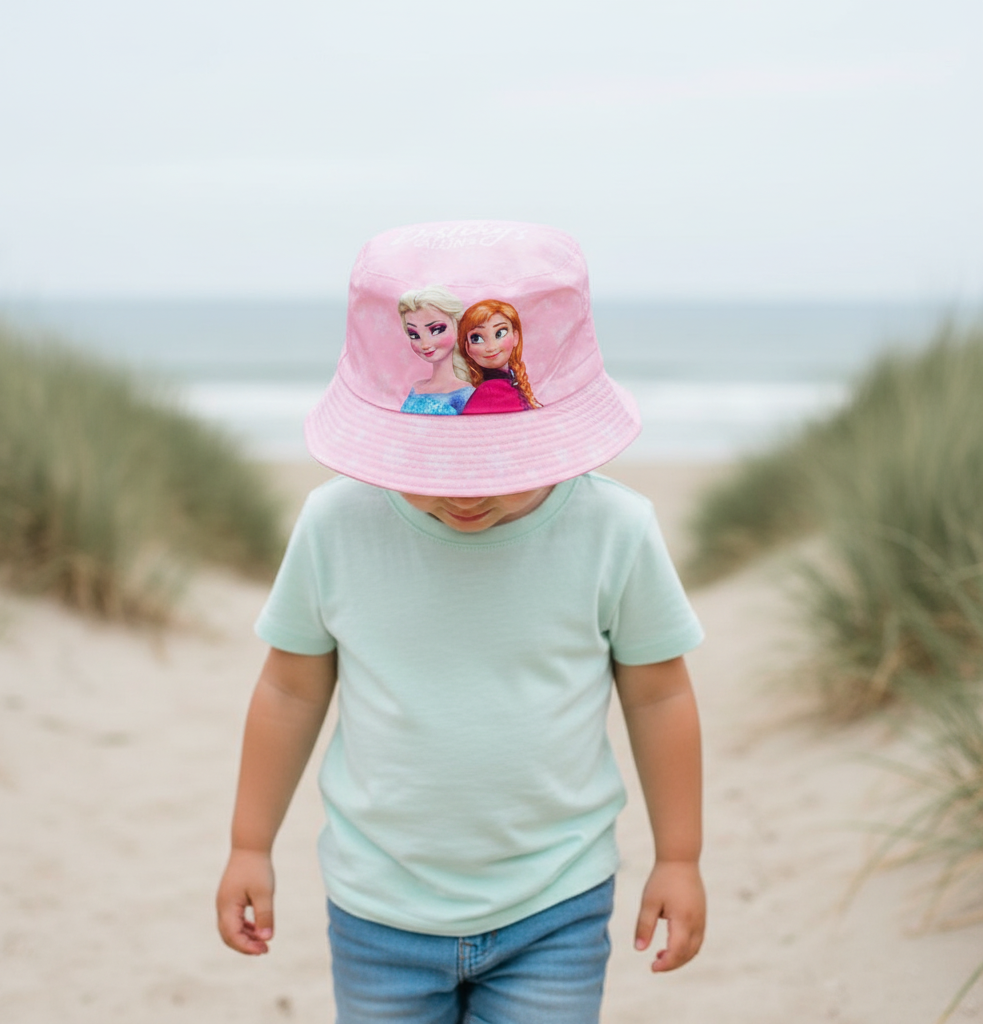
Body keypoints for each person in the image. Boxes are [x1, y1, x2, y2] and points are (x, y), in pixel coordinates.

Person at [216, 220, 706, 1024]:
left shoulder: (615, 531)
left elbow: (658, 695)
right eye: (429, 467)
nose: (464, 494)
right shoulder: (338, 525)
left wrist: (679, 856)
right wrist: (248, 843)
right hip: (378, 908)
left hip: (558, 901)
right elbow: (291, 689)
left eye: (499, 466)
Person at [397, 285, 474, 415]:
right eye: (414, 335)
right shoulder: (416, 387)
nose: (425, 344)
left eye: (437, 330)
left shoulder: (466, 394)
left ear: (457, 325)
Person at [458, 298, 541, 414]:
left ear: (515, 337)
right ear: (468, 348)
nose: (491, 347)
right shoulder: (489, 391)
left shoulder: (509, 384)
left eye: (500, 333)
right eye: (476, 338)